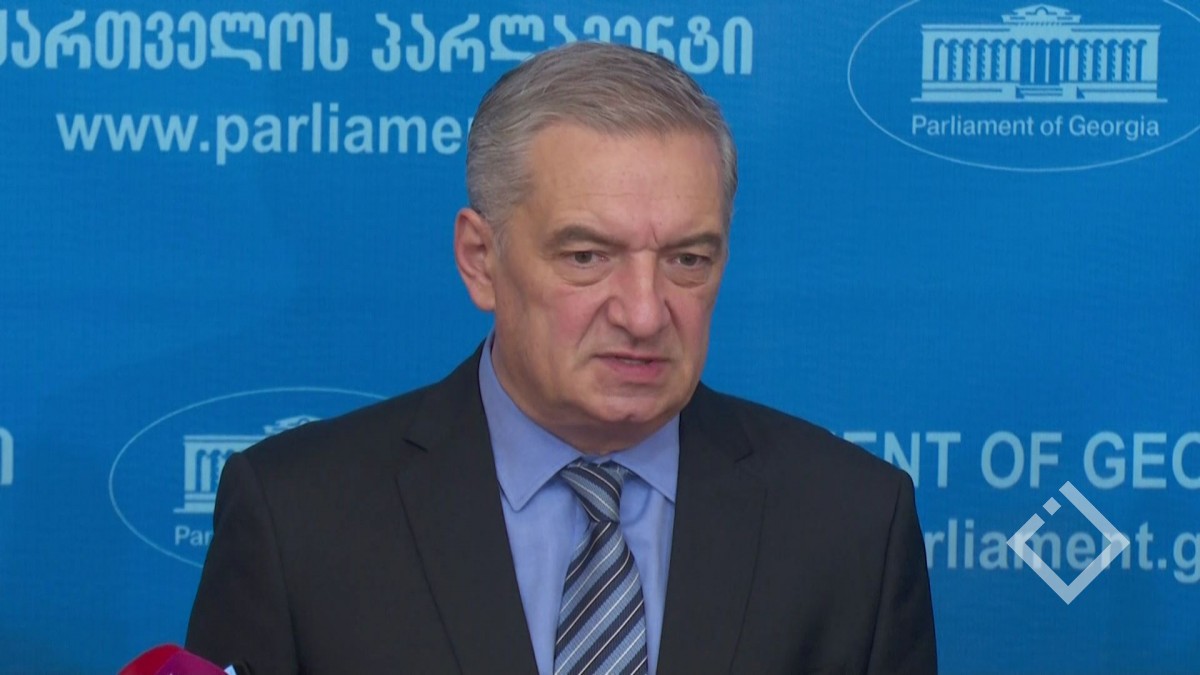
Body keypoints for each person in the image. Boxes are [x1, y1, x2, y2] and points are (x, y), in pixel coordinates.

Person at [186, 42, 937, 674]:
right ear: (480, 259)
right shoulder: (298, 519)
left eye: (687, 259)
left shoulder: (852, 525)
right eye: (587, 256)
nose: (644, 313)